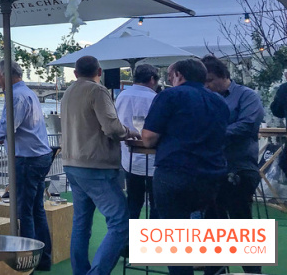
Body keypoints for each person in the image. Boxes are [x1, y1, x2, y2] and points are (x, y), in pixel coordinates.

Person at [142, 59, 230, 275]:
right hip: (212, 175)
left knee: (176, 242)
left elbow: (149, 138)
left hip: (175, 172)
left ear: (179, 75)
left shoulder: (170, 96)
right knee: (211, 232)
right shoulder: (220, 101)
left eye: (171, 76)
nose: (169, 80)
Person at [61, 56, 137, 275]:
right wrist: (130, 132)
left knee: (81, 223)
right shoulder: (97, 91)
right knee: (120, 221)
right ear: (99, 71)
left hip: (72, 164)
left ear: (75, 73)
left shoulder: (68, 92)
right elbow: (112, 128)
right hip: (95, 165)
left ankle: (81, 271)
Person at [0, 60, 53, 272]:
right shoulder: (28, 93)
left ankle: (27, 261)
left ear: (7, 75)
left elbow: (6, 127)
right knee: (37, 209)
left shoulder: (16, 96)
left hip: (28, 160)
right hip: (40, 156)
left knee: (25, 212)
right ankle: (44, 259)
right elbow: (19, 130)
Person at [201, 55, 264, 275]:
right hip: (211, 167)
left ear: (224, 76)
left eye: (210, 80)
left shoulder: (247, 96)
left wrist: (211, 134)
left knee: (239, 223)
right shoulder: (206, 97)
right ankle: (216, 270)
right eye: (204, 82)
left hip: (239, 167)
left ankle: (252, 271)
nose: (207, 86)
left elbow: (247, 126)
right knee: (211, 224)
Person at [114, 63, 159, 220]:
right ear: (152, 79)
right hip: (153, 159)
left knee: (133, 203)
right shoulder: (155, 98)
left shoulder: (121, 96)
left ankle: (127, 241)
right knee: (155, 205)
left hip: (129, 158)